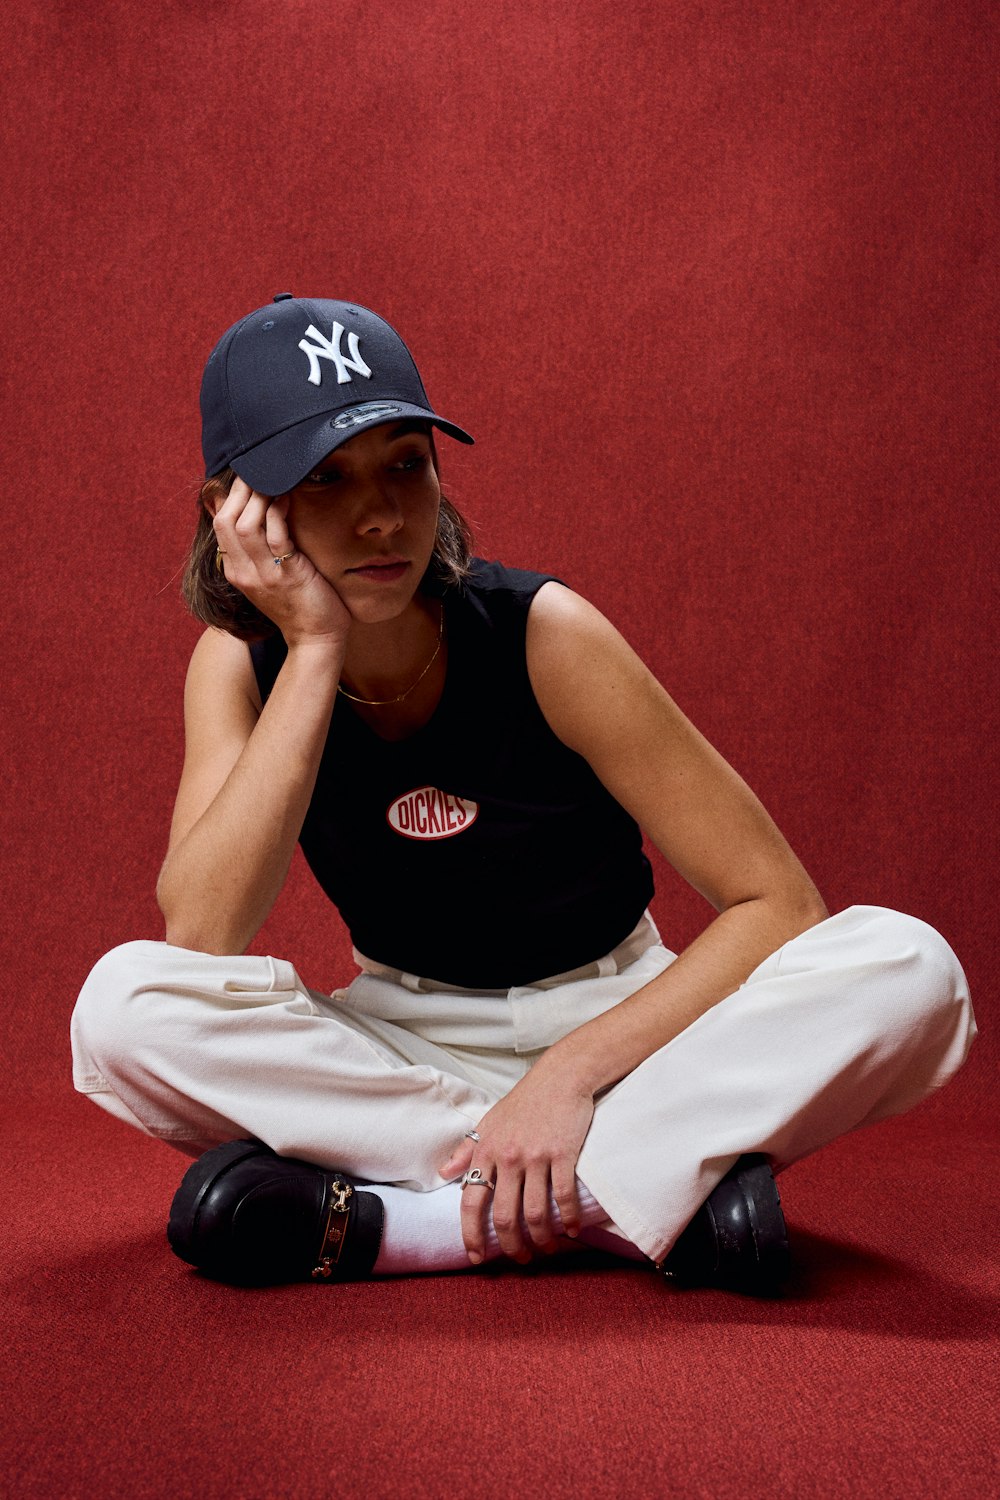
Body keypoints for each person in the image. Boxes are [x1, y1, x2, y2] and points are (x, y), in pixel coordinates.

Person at [71, 295, 975, 1291]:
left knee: (908, 966)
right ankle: (630, 1199)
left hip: (626, 1028)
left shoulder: (546, 633)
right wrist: (315, 648)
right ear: (237, 510)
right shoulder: (240, 666)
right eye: (324, 479)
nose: (380, 514)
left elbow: (777, 905)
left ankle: (418, 1226)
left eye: (405, 463)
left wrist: (568, 1077)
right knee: (123, 1007)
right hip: (404, 1047)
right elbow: (199, 935)